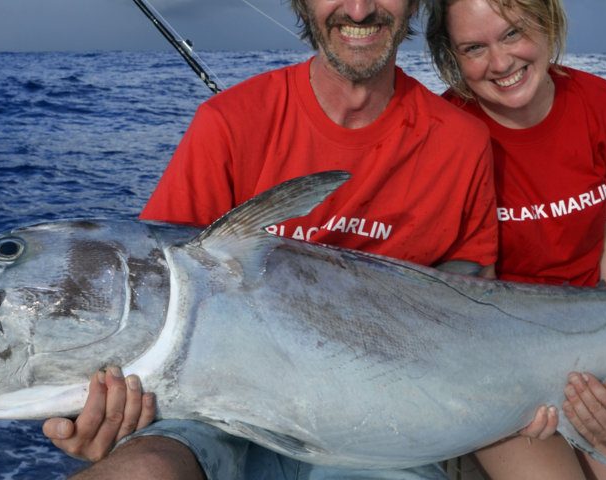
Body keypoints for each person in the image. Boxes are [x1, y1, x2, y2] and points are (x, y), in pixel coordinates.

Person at [44, 1, 504, 478]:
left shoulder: (461, 141)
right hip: (211, 414)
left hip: (377, 429)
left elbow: (472, 306)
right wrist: (102, 409)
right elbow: (151, 299)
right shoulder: (226, 121)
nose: (361, 9)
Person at [424, 0, 606, 478]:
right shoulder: (444, 131)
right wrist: (527, 391)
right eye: (474, 48)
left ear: (547, 23)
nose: (500, 63)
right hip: (490, 361)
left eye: (514, 33)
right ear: (451, 58)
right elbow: (459, 294)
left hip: (586, 346)